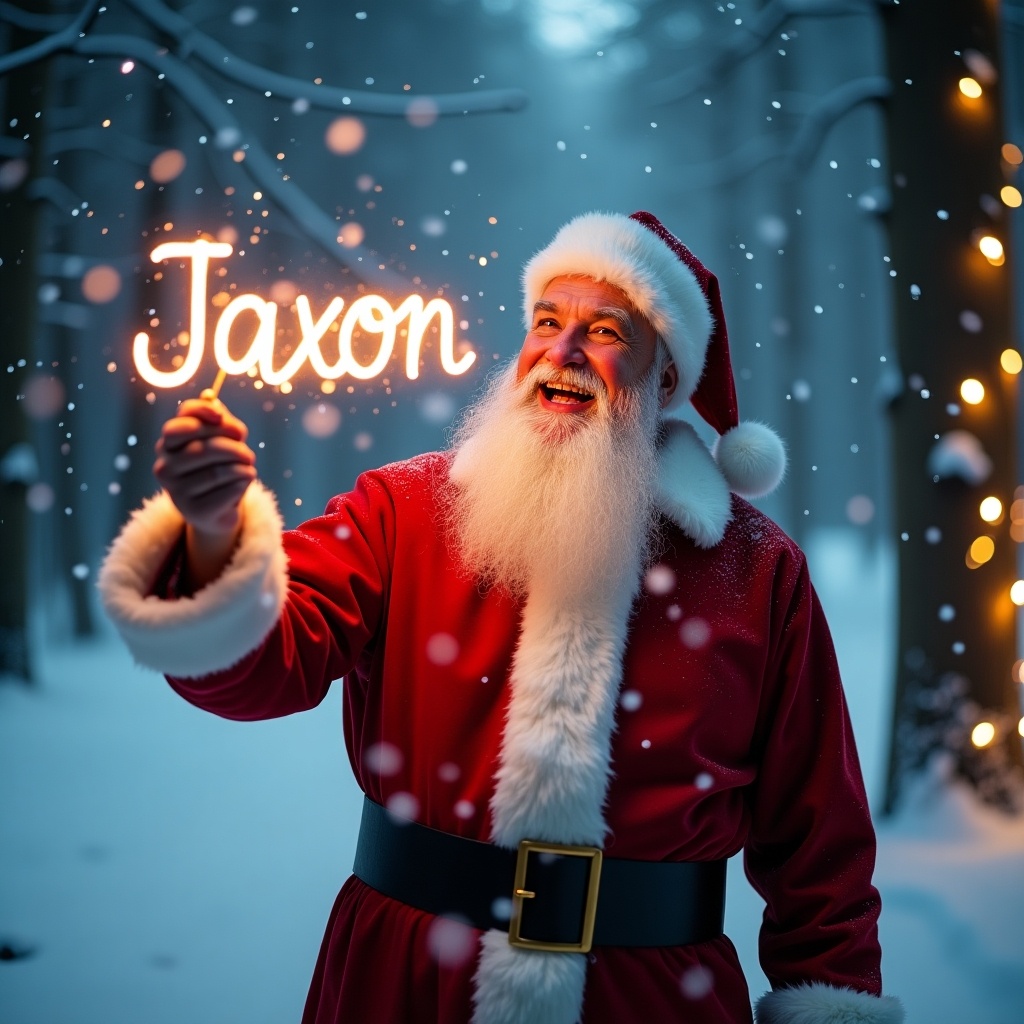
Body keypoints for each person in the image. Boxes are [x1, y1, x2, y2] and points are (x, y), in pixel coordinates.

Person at [99, 211, 902, 1024]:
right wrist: (210, 542)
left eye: (605, 330)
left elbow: (819, 849)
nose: (564, 351)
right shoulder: (404, 512)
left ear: (665, 380)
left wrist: (831, 1003)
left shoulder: (757, 571)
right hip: (406, 983)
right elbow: (259, 668)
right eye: (547, 322)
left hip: (651, 999)